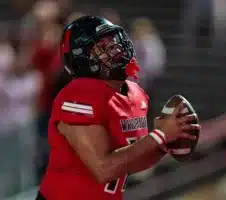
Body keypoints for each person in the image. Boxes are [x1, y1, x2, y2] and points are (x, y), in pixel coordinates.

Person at [35, 16, 200, 200]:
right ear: (82, 58)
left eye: (113, 40)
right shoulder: (79, 95)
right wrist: (160, 135)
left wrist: (162, 145)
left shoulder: (135, 94)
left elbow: (131, 162)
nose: (115, 47)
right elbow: (103, 169)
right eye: (103, 46)